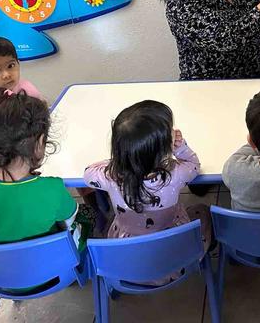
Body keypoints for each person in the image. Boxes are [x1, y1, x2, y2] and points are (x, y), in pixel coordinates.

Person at [0, 89, 88, 311]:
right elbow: (71, 217)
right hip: (53, 273)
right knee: (86, 220)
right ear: (40, 143)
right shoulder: (53, 188)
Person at [83, 100, 212, 280]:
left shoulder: (110, 176)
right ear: (163, 150)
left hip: (127, 261)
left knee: (116, 219)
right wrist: (181, 148)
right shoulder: (175, 174)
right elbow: (194, 165)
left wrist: (120, 161)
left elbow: (88, 174)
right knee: (203, 211)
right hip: (176, 260)